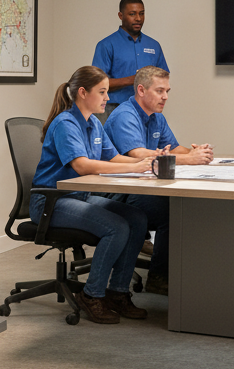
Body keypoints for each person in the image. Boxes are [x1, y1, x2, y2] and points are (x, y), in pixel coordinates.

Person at [30, 66, 154, 324]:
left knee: (137, 218)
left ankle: (117, 292)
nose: (108, 98)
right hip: (52, 201)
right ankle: (92, 294)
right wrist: (133, 167)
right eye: (102, 92)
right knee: (117, 227)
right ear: (83, 93)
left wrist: (149, 161)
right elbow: (82, 165)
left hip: (79, 197)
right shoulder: (65, 123)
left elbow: (114, 157)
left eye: (107, 92)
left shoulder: (94, 124)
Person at [104, 66, 213, 294]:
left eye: (168, 91)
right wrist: (188, 159)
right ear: (141, 90)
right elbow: (138, 154)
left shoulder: (156, 117)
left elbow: (173, 148)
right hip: (117, 192)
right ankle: (158, 277)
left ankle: (177, 268)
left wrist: (197, 152)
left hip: (142, 186)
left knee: (183, 204)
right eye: (160, 91)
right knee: (171, 212)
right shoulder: (125, 115)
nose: (165, 97)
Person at [91, 0, 169, 106]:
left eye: (141, 13)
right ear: (120, 16)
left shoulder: (154, 45)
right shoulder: (106, 45)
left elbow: (164, 78)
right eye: (132, 14)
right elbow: (97, 83)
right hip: (114, 108)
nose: (138, 18)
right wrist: (133, 79)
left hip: (148, 109)